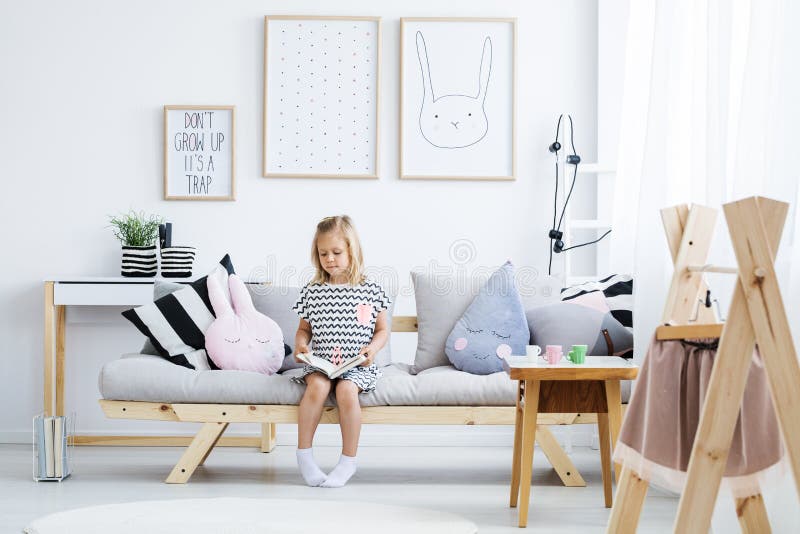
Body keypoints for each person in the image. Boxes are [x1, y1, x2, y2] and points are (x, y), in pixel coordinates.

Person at [292, 215, 391, 487]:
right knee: (318, 387)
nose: (330, 259)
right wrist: (300, 345)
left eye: (336, 252)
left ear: (352, 250)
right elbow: (304, 331)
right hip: (322, 363)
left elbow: (382, 330)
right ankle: (304, 457)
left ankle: (348, 461)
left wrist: (372, 348)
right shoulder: (313, 291)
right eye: (323, 253)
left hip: (357, 366)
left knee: (346, 391)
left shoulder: (371, 290)